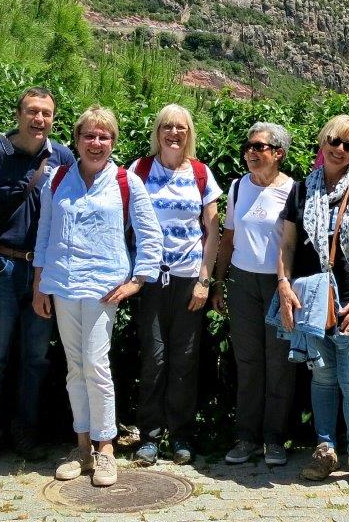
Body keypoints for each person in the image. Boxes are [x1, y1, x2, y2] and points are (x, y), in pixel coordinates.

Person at [33, 105, 162, 488]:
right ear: (77, 139)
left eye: (104, 136)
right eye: (89, 135)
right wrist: (40, 283)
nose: (96, 142)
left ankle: (106, 448)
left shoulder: (126, 181)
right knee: (75, 367)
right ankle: (82, 448)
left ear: (113, 142)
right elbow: (44, 233)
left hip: (104, 288)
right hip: (63, 284)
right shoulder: (57, 179)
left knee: (95, 363)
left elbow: (149, 233)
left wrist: (137, 280)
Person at [278, 114, 349, 490]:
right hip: (312, 298)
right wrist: (283, 284)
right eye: (335, 141)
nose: (340, 149)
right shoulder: (300, 190)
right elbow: (287, 244)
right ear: (323, 142)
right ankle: (325, 449)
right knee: (322, 376)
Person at [0, 87, 75, 467]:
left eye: (46, 113)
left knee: (35, 358)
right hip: (2, 267)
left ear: (53, 118)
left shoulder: (62, 157)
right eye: (32, 111)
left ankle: (25, 432)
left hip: (43, 271)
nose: (39, 119)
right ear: (18, 114)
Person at [127, 104, 223, 466]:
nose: (174, 133)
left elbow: (213, 231)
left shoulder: (200, 173)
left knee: (184, 359)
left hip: (188, 281)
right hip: (149, 280)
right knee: (153, 357)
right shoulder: (139, 170)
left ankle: (181, 435)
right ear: (157, 131)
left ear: (189, 133)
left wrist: (204, 280)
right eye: (167, 126)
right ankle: (150, 436)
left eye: (181, 127)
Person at [213, 122, 297, 467]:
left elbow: (292, 244)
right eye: (248, 146)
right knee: (248, 363)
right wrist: (218, 282)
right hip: (242, 284)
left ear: (278, 153)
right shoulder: (237, 187)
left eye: (259, 147)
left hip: (278, 285)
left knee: (279, 363)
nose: (251, 152)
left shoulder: (292, 190)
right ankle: (246, 437)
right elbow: (228, 238)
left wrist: (287, 285)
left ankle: (275, 440)